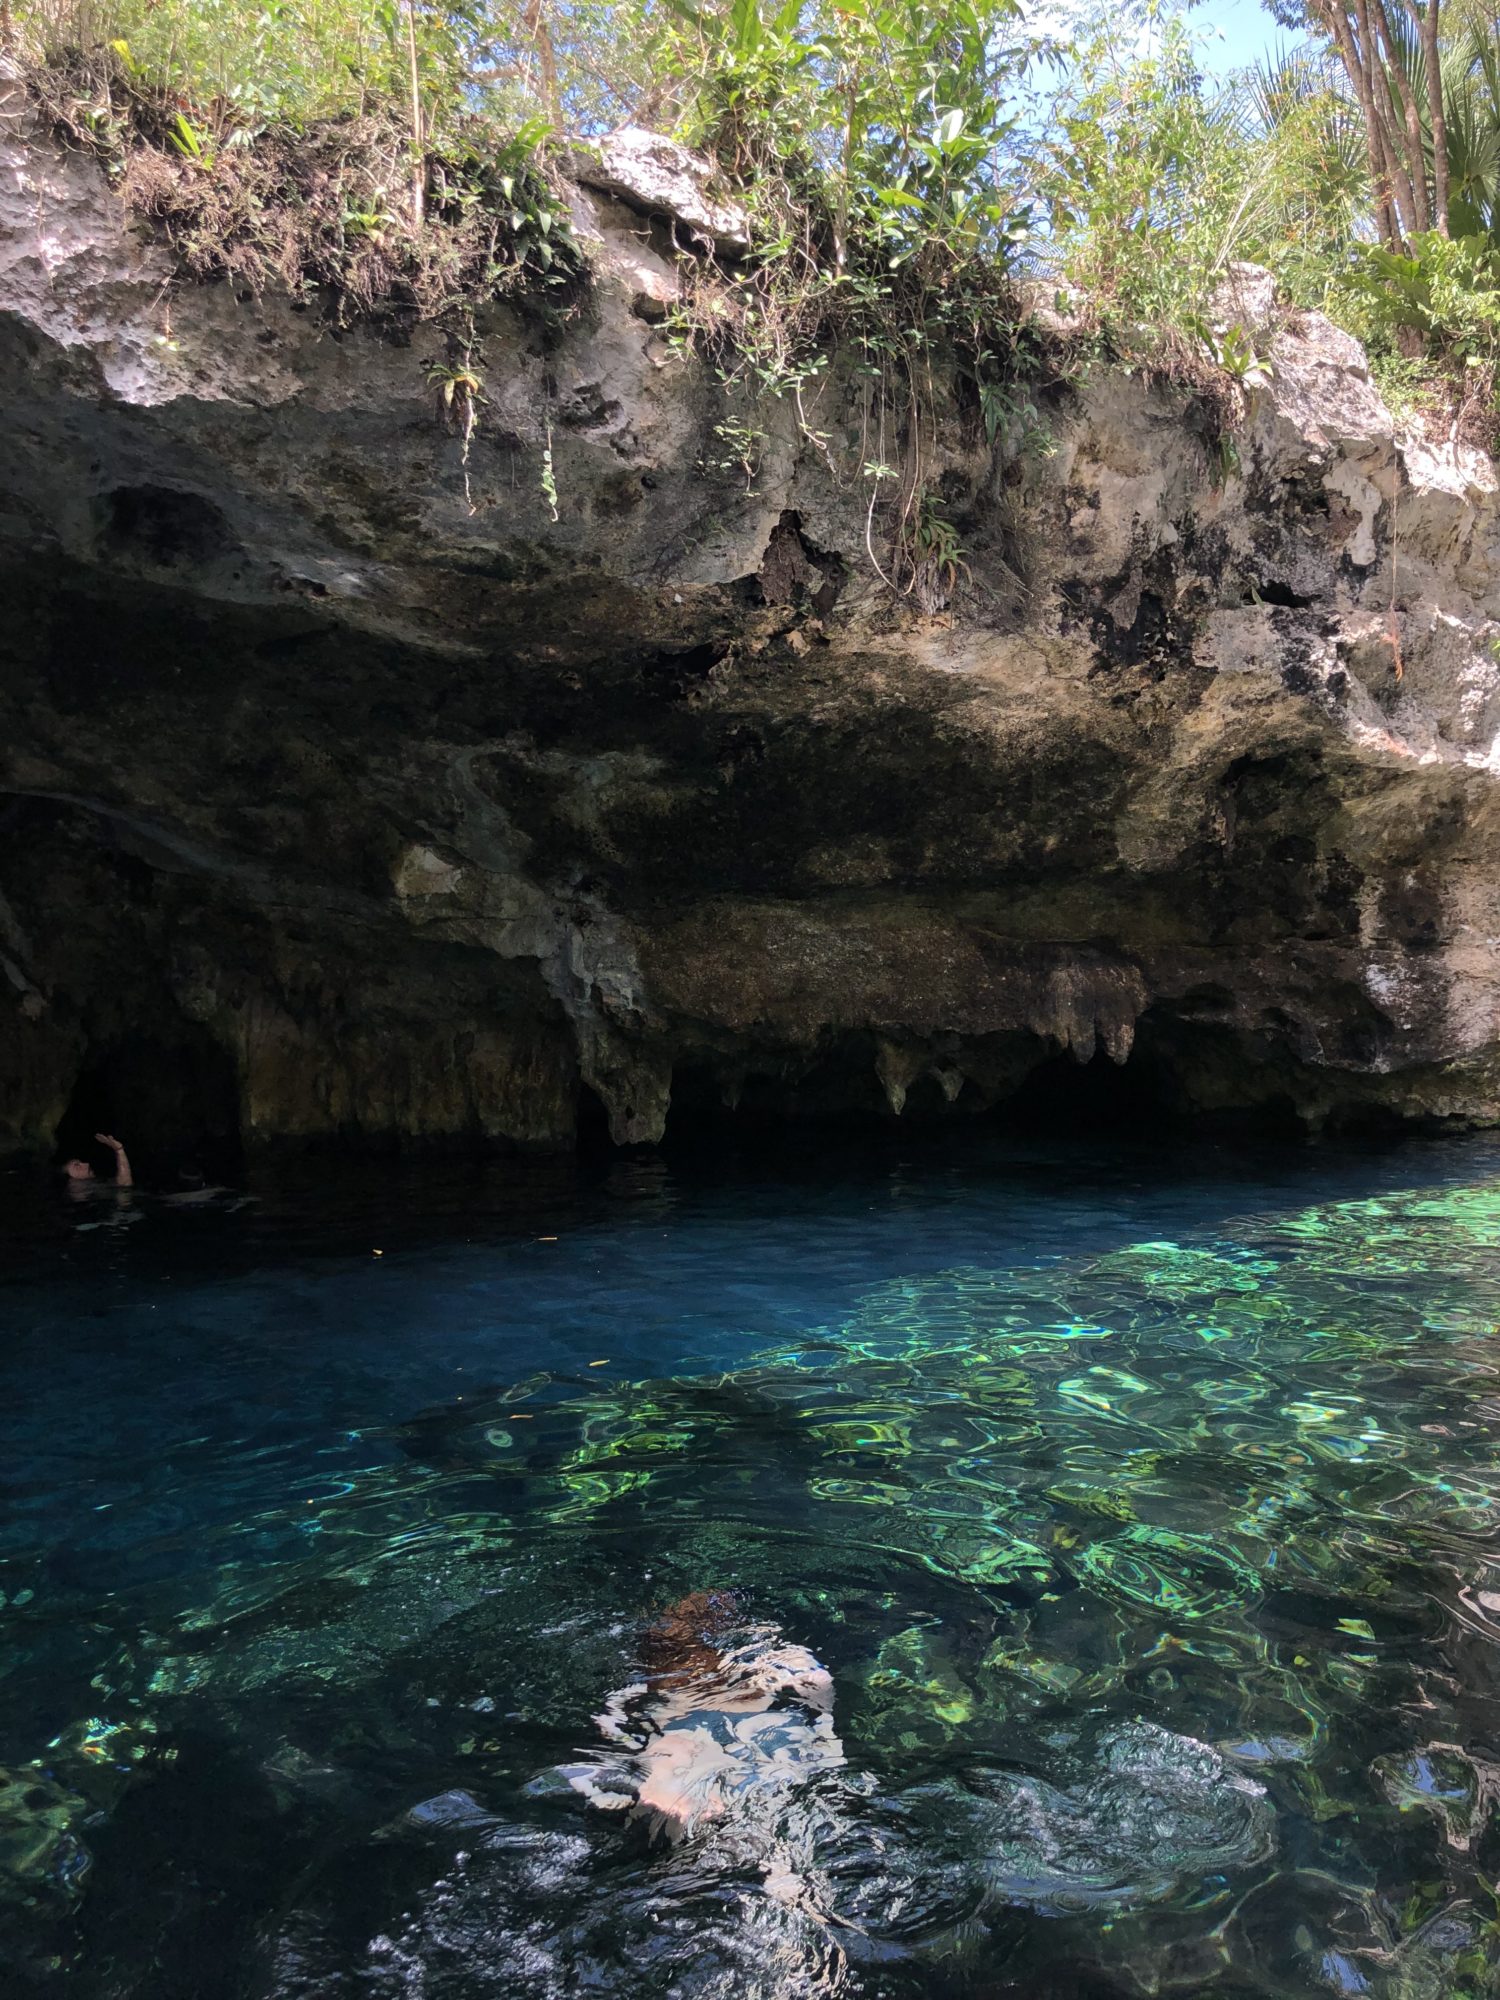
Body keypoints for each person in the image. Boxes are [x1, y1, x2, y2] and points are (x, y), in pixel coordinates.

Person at [60, 1133, 133, 1192]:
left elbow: (123, 1185)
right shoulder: (80, 1189)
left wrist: (119, 1150)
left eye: (80, 1163)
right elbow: (124, 1186)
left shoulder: (95, 1184)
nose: (86, 1164)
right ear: (71, 1181)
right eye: (77, 1166)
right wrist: (119, 1150)